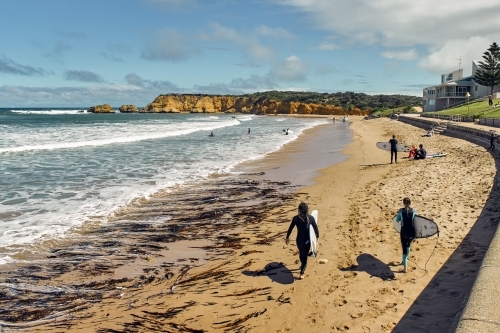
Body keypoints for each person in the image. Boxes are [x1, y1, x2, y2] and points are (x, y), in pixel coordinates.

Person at [285, 202, 319, 280]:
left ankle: (302, 266)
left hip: (299, 241)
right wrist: (317, 237)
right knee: (304, 257)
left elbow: (290, 228)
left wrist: (287, 237)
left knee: (302, 253)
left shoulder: (296, 218)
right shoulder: (311, 218)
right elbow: (316, 229)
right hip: (307, 241)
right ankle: (302, 273)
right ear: (307, 209)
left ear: (299, 210)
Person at [395, 197, 417, 273]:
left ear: (403, 203)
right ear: (410, 203)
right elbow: (418, 221)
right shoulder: (414, 211)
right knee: (408, 245)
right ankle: (406, 259)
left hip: (404, 232)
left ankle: (405, 268)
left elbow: (397, 220)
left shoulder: (401, 211)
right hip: (412, 233)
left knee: (404, 248)